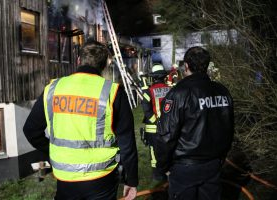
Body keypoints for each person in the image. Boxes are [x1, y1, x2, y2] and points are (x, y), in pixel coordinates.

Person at [23, 41, 138, 200]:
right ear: (104, 65)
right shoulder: (113, 92)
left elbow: (30, 130)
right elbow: (127, 143)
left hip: (65, 178)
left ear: (78, 60)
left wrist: (52, 150)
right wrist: (131, 180)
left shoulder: (53, 89)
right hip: (101, 179)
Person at [155, 46, 234, 200]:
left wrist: (162, 166)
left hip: (185, 167)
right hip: (213, 164)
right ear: (207, 65)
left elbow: (166, 135)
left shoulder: (179, 93)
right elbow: (229, 129)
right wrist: (221, 158)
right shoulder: (222, 91)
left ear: (186, 66)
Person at [140, 64, 171, 182]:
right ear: (164, 76)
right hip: (168, 126)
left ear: (153, 77)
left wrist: (155, 121)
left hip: (153, 128)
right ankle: (168, 171)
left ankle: (157, 175)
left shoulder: (149, 91)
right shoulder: (170, 89)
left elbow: (146, 108)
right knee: (167, 149)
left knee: (154, 151)